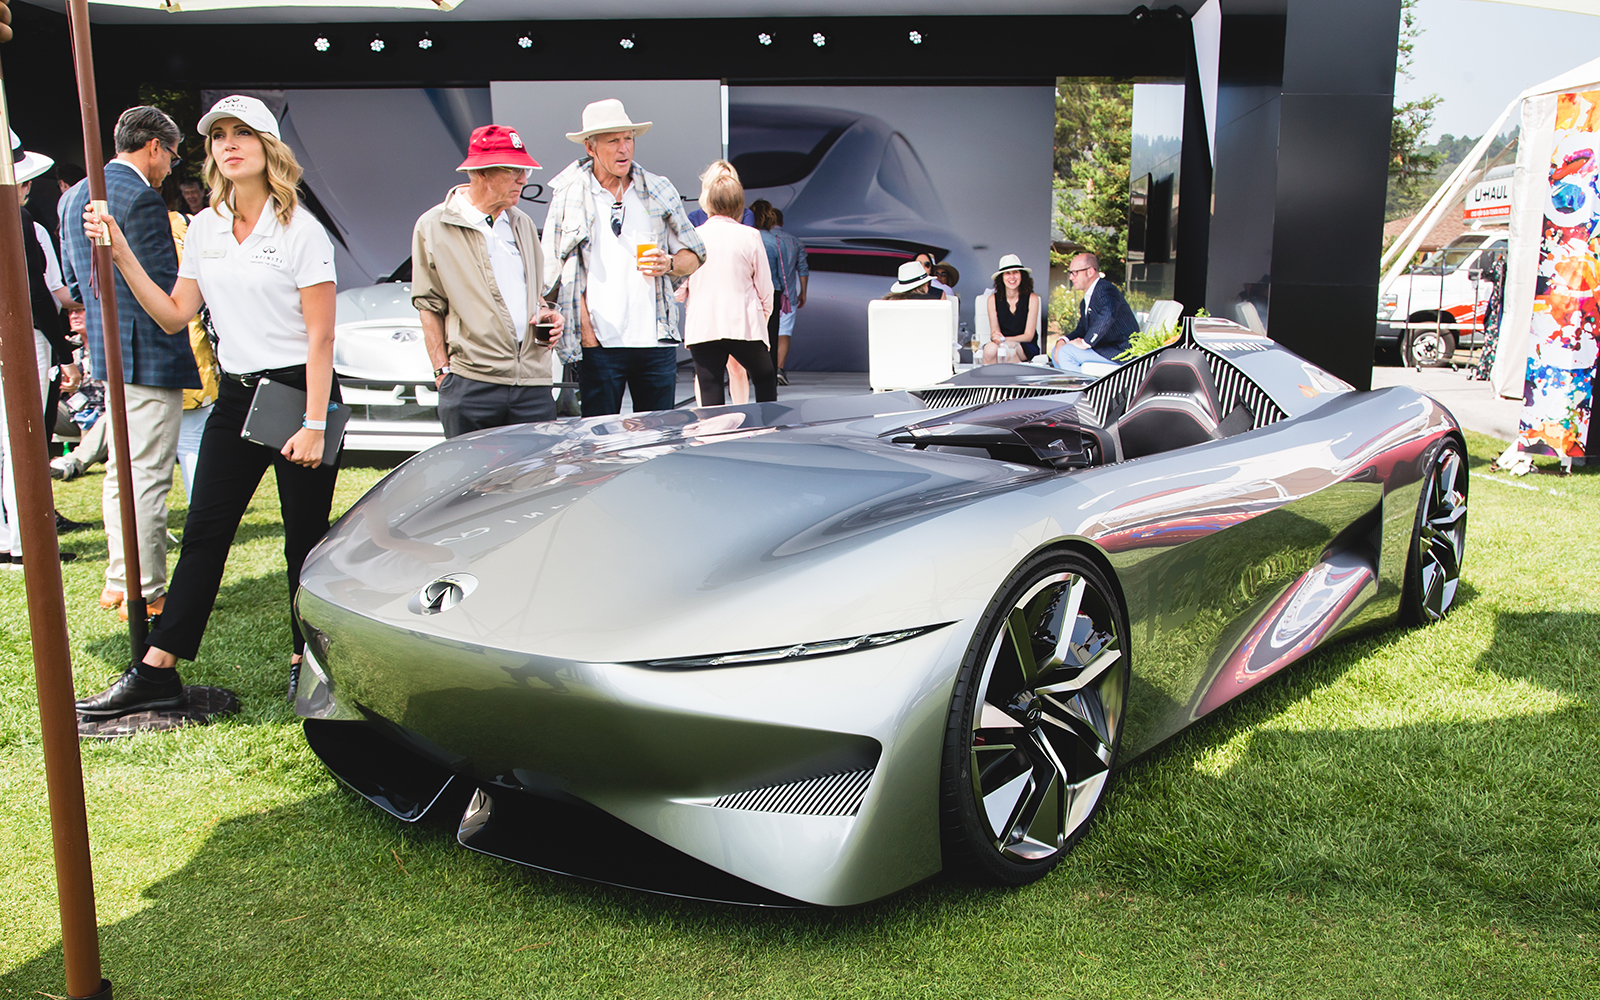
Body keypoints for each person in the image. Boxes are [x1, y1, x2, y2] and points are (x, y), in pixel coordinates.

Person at [75, 94, 340, 718]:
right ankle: (156, 670)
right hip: (241, 394)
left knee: (304, 543)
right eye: (219, 134)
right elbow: (173, 315)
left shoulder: (301, 228)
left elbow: (321, 336)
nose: (228, 143)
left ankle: (311, 662)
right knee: (204, 535)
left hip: (303, 391)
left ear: (269, 148)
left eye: (242, 133)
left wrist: (313, 422)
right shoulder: (206, 227)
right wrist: (119, 250)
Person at [59, 105, 198, 619]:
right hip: (149, 354)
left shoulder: (74, 195)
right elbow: (165, 292)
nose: (172, 167)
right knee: (147, 476)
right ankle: (145, 587)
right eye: (174, 154)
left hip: (106, 351)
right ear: (156, 147)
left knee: (121, 472)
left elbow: (76, 285)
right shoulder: (140, 198)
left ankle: (120, 579)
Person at [542, 99, 705, 417]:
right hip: (599, 345)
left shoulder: (658, 189)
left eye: (628, 138)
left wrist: (669, 263)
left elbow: (696, 254)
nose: (623, 149)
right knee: (598, 445)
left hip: (655, 342)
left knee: (659, 442)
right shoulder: (570, 195)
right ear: (591, 147)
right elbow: (552, 267)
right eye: (613, 140)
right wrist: (586, 335)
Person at [413, 124, 562, 438]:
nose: (523, 180)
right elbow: (429, 304)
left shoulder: (521, 222)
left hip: (532, 384)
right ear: (480, 173)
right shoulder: (434, 225)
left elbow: (533, 294)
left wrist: (548, 313)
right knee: (472, 486)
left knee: (536, 485)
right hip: (471, 383)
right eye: (513, 171)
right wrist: (443, 373)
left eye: (525, 171)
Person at [3, 133, 78, 568]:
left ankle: (12, 538)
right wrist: (65, 350)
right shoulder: (22, 223)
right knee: (23, 441)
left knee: (7, 441)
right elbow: (37, 294)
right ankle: (24, 541)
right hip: (23, 337)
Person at [678, 162, 776, 406]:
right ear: (739, 205)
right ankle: (765, 432)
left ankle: (711, 439)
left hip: (703, 327)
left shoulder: (694, 236)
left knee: (709, 388)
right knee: (764, 377)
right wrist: (761, 321)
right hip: (743, 324)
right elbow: (766, 289)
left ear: (707, 201)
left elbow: (679, 289)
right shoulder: (750, 235)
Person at [1053, 252, 1137, 371]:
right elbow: (1082, 329)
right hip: (1103, 348)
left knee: (1066, 353)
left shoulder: (1106, 289)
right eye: (1070, 273)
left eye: (1075, 273)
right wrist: (1063, 340)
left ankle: (1084, 388)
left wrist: (1085, 343)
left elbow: (1108, 315)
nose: (1071, 277)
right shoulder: (1086, 300)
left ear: (1090, 272)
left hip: (1119, 352)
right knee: (1056, 351)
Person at [770, 207, 808, 384]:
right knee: (784, 333)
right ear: (782, 223)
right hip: (788, 295)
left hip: (763, 294)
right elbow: (803, 269)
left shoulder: (759, 239)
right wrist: (803, 292)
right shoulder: (794, 241)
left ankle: (762, 369)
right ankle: (779, 369)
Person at [983, 254, 1041, 364]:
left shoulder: (1032, 298)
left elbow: (1028, 336)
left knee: (1008, 350)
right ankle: (990, 380)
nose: (1012, 277)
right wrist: (997, 337)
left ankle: (1012, 381)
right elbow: (994, 333)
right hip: (1001, 343)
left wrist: (1004, 340)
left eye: (1015, 272)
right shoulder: (992, 299)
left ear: (1021, 275)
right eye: (1007, 273)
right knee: (989, 350)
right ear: (1001, 277)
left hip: (1025, 345)